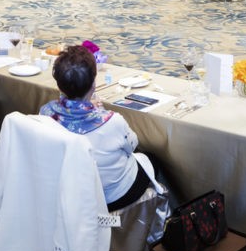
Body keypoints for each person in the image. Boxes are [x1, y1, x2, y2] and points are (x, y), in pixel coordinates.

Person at [40, 45, 158, 211]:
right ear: (94, 84)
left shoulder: (45, 113)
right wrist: (99, 112)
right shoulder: (112, 121)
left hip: (69, 190)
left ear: (59, 86)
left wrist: (90, 108)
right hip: (112, 197)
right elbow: (132, 145)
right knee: (152, 159)